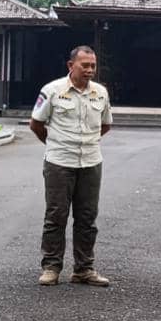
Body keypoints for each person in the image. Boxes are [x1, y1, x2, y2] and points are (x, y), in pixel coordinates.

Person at [30, 46, 112, 287]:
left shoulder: (100, 93)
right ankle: (51, 267)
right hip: (59, 163)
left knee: (87, 217)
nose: (89, 70)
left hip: (91, 162)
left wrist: (86, 143)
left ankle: (84, 269)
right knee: (56, 215)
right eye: (84, 65)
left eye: (93, 66)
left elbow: (105, 125)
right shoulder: (52, 90)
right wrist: (56, 144)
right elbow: (36, 124)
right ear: (70, 66)